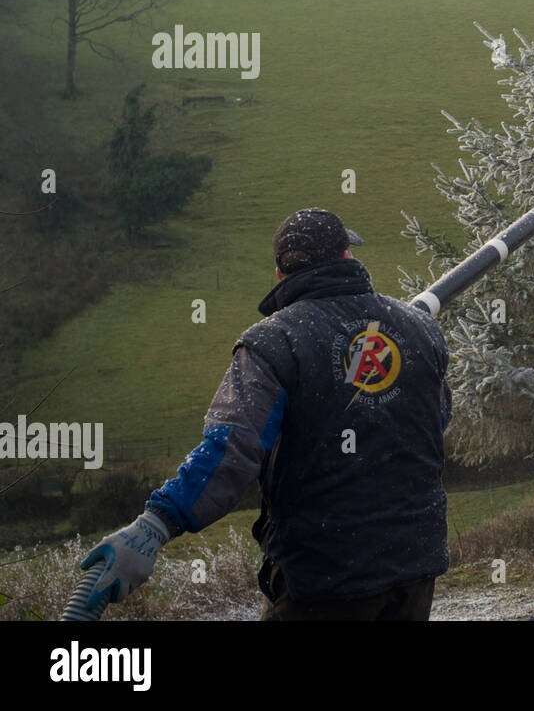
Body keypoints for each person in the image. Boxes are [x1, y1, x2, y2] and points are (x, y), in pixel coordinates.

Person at [79, 207, 453, 620]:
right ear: (347, 256)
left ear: (281, 275)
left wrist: (157, 522)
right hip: (415, 567)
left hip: (327, 575)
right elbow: (434, 423)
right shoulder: (420, 330)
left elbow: (230, 451)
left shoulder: (273, 344)